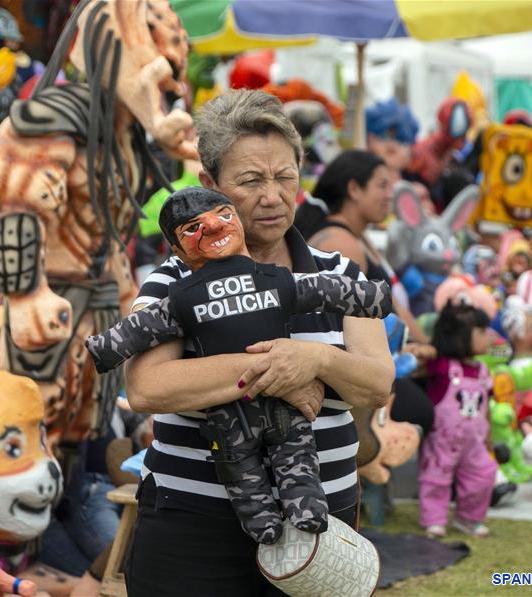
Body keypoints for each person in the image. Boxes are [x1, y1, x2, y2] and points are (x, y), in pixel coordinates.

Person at [124, 90, 394, 596]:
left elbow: (377, 382)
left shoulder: (337, 273)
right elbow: (146, 386)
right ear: (209, 186)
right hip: (193, 527)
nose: (272, 196)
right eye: (250, 181)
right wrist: (278, 375)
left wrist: (312, 358)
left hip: (320, 528)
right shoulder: (172, 280)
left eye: (285, 176)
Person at [294, 150, 435, 438]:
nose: (390, 195)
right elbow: (339, 327)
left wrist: (428, 345)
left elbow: (391, 302)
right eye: (382, 185)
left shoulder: (360, 237)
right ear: (354, 189)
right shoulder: (340, 245)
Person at [420, 301, 498, 538]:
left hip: (475, 442)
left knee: (484, 474)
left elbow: (487, 408)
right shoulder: (442, 366)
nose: (490, 337)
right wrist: (424, 351)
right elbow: (417, 364)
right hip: (442, 440)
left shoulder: (484, 371)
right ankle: (434, 519)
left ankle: (469, 518)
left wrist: (489, 436)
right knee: (436, 478)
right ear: (461, 336)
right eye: (482, 332)